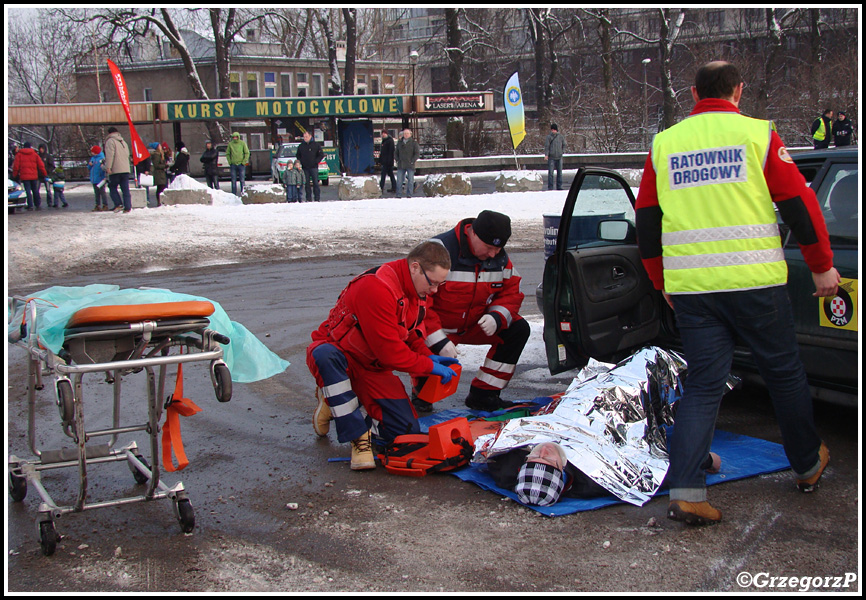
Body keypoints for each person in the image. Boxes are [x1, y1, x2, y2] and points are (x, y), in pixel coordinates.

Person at [635, 61, 839, 526]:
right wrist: (822, 267)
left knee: (705, 384)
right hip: (755, 284)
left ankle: (687, 490)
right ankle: (807, 463)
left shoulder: (666, 143)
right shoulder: (758, 135)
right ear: (738, 91)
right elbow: (798, 204)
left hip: (694, 291)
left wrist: (661, 280)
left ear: (692, 93)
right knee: (784, 373)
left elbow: (646, 218)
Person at [306, 241, 459, 470]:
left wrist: (426, 355)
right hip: (340, 354)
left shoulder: (417, 291)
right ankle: (358, 438)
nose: (435, 290)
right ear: (415, 267)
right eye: (433, 282)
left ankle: (332, 402)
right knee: (326, 356)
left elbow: (408, 333)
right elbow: (391, 354)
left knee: (404, 434)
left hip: (372, 365)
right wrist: (427, 365)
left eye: (441, 283)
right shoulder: (377, 287)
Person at [416, 210, 530, 413]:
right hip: (437, 328)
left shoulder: (500, 258)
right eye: (489, 247)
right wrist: (439, 340)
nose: (494, 254)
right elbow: (419, 302)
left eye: (499, 248)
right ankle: (422, 397)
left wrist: (497, 315)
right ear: (473, 234)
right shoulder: (437, 251)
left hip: (474, 325)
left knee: (519, 329)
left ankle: (484, 394)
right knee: (424, 345)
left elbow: (512, 292)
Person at [11, 141, 47, 211]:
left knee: (27, 191)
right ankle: (37, 204)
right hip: (34, 175)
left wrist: (14, 175)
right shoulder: (35, 154)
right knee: (35, 190)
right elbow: (41, 165)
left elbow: (16, 166)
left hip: (24, 176)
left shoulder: (19, 155)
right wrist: (44, 173)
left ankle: (30, 205)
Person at [103, 127, 132, 213]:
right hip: (125, 168)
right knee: (125, 189)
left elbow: (110, 155)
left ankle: (118, 204)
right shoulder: (123, 142)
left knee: (112, 187)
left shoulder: (110, 141)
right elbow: (127, 154)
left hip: (116, 169)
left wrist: (108, 167)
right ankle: (127, 207)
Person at [296, 130, 325, 202]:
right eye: (304, 137)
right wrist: (301, 162)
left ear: (310, 136)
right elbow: (298, 155)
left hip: (314, 167)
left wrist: (316, 161)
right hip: (305, 168)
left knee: (316, 183)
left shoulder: (316, 145)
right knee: (307, 184)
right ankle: (308, 198)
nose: (305, 138)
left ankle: (317, 198)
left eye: (306, 136)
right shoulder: (301, 146)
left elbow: (321, 154)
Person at [395, 128, 420, 198]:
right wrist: (397, 160)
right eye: (405, 133)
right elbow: (396, 152)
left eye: (407, 133)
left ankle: (409, 194)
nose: (406, 135)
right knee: (399, 180)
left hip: (410, 164)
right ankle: (398, 194)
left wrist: (413, 160)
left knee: (410, 181)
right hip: (401, 164)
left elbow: (417, 153)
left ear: (410, 134)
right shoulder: (399, 143)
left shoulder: (414, 143)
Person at [227, 132, 250, 196]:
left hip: (241, 165)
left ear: (238, 137)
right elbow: (228, 154)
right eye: (233, 137)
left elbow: (247, 153)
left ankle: (243, 193)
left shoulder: (242, 143)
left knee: (242, 180)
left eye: (236, 137)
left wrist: (244, 161)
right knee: (233, 180)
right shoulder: (230, 144)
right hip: (233, 164)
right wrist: (230, 162)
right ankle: (233, 194)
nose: (235, 138)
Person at [87, 145, 110, 212]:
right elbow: (89, 167)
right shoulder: (93, 158)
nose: (92, 153)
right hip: (94, 178)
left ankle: (105, 205)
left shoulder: (102, 158)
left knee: (102, 192)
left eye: (93, 152)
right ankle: (97, 205)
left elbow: (104, 168)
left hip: (100, 178)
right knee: (96, 193)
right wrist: (90, 165)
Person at [544, 123, 565, 190]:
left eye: (554, 130)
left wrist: (562, 152)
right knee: (551, 173)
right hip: (551, 157)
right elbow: (547, 146)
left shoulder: (561, 137)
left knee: (560, 173)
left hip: (559, 157)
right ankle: (550, 187)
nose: (553, 131)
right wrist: (546, 155)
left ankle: (559, 186)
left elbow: (564, 144)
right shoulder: (549, 137)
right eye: (552, 130)